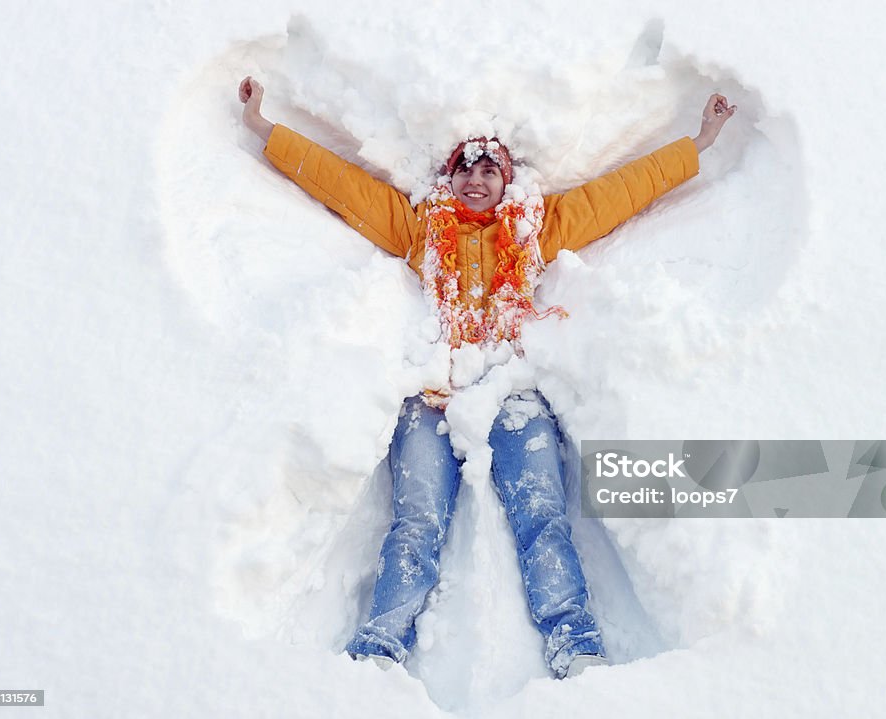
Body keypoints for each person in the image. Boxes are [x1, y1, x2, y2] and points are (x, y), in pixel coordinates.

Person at [237, 75, 734, 679]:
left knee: (542, 518)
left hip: (513, 393)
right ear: (448, 181)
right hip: (433, 395)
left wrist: (699, 144)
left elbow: (618, 194)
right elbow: (342, 185)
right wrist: (264, 128)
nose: (476, 180)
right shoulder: (419, 229)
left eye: (488, 171)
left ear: (506, 182)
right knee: (416, 524)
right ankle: (378, 648)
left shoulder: (537, 229)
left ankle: (573, 643)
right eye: (464, 171)